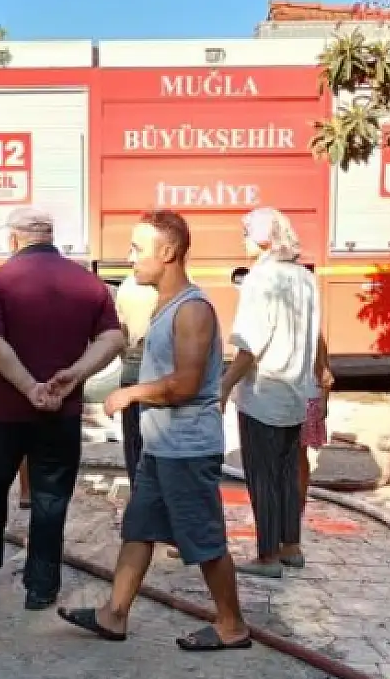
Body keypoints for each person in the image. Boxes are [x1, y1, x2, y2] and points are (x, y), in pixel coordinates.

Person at [58, 210, 250, 652]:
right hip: (162, 446)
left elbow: (184, 385)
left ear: (168, 252)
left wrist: (131, 394)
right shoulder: (165, 307)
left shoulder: (193, 311)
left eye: (137, 248)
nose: (130, 258)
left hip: (186, 448)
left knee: (203, 538)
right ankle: (114, 614)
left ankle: (231, 625)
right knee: (139, 528)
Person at [0, 207, 124, 609]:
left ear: (13, 239)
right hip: (61, 412)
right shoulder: (88, 283)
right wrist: (73, 374)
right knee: (52, 498)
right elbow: (113, 339)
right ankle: (42, 585)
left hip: (2, 412)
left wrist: (28, 387)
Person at [218, 207, 321, 580]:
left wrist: (226, 384)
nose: (242, 239)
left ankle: (267, 556)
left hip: (264, 393)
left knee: (261, 476)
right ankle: (291, 546)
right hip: (296, 390)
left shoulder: (261, 279)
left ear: (261, 238)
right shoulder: (304, 277)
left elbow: (250, 344)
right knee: (286, 473)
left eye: (246, 232)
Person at [115, 265, 160, 484]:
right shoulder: (173, 282)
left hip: (132, 370)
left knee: (134, 442)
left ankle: (138, 491)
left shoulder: (126, 286)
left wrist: (127, 356)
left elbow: (120, 330)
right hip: (160, 375)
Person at [294, 329, 335, 568]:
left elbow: (325, 372)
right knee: (300, 457)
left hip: (297, 397)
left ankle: (290, 516)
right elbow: (326, 373)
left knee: (293, 459)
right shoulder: (313, 326)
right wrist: (323, 402)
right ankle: (295, 514)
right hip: (309, 396)